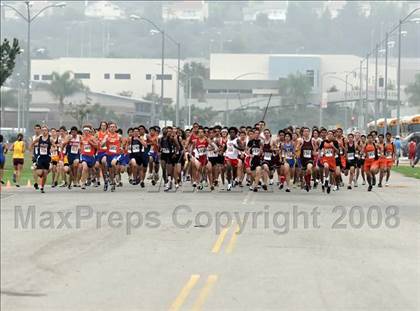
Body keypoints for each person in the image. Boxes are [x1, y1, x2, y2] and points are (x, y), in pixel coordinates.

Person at [31, 125, 56, 193]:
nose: (44, 132)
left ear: (48, 131)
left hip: (47, 157)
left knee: (45, 173)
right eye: (43, 130)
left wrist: (52, 149)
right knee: (40, 173)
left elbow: (55, 146)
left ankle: (42, 187)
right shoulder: (39, 138)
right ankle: (36, 167)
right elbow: (33, 143)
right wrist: (31, 152)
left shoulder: (50, 139)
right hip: (40, 157)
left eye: (45, 130)